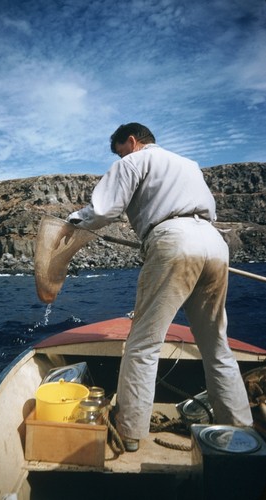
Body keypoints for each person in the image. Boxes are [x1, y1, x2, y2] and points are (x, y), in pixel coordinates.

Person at [68, 122, 253, 452]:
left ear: (132, 141)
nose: (121, 156)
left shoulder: (133, 161)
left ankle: (130, 432)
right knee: (216, 345)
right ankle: (241, 431)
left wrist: (71, 222)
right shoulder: (189, 165)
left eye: (121, 150)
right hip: (214, 243)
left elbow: (104, 210)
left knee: (143, 343)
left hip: (173, 242)